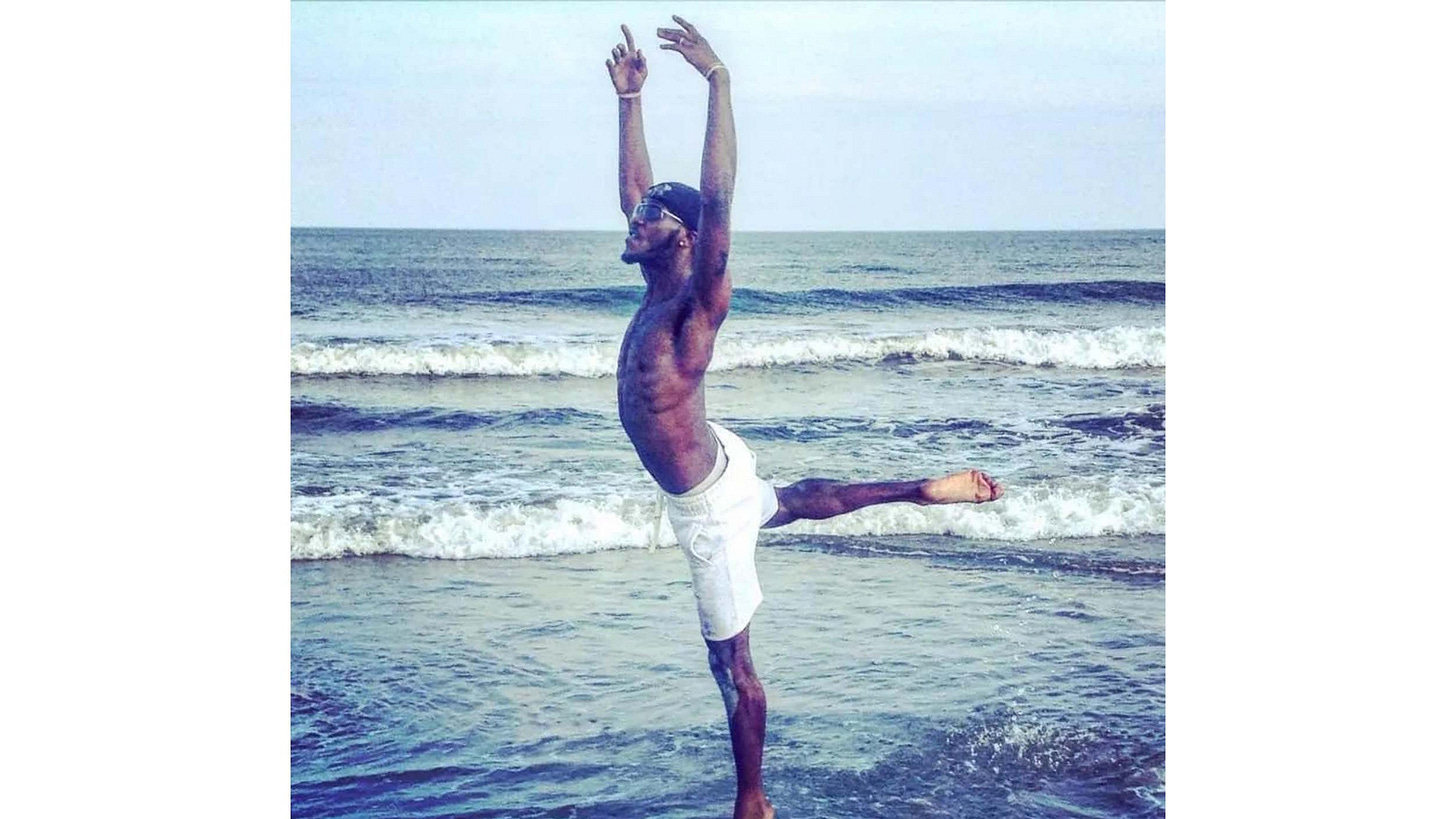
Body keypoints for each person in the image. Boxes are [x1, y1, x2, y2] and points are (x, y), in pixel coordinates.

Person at [606, 17, 1003, 819]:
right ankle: (917, 489)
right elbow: (640, 191)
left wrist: (719, 82)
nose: (632, 219)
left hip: (707, 506)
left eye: (650, 216)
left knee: (733, 668)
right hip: (719, 458)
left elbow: (716, 199)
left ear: (683, 239)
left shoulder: (692, 310)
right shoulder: (655, 287)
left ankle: (752, 802)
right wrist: (632, 103)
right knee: (784, 500)